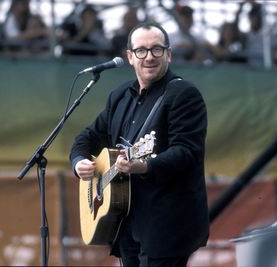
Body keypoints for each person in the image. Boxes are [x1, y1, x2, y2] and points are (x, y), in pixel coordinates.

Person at [70, 22, 209, 266]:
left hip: (166, 224)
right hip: (125, 220)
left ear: (169, 54)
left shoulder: (183, 94)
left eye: (156, 49)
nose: (149, 57)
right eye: (141, 51)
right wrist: (79, 161)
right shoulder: (120, 96)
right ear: (130, 57)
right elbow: (87, 137)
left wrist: (142, 167)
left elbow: (187, 152)